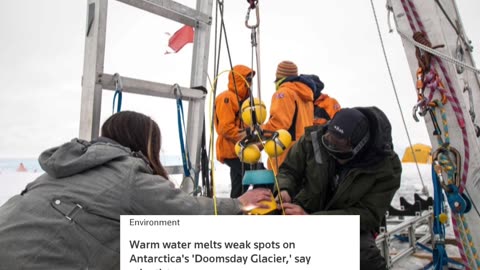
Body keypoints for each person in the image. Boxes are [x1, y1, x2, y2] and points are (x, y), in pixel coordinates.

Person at [0, 111, 272, 269]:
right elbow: (187, 209)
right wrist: (240, 204)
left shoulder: (60, 167)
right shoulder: (126, 173)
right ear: (144, 142)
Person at [276, 107, 401, 270]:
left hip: (349, 225)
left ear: (359, 146)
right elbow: (289, 170)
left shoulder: (386, 168)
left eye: (339, 147)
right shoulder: (313, 140)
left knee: (363, 258)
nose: (331, 150)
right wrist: (284, 189)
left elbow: (368, 214)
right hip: (305, 208)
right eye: (328, 141)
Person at [214, 64, 261, 198]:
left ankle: (235, 212)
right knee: (257, 174)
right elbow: (225, 128)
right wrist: (246, 136)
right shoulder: (227, 98)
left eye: (251, 79)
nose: (251, 83)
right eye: (248, 79)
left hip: (240, 150)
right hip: (231, 150)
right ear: (240, 80)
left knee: (240, 186)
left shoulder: (245, 101)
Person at [261, 60, 315, 172]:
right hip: (304, 153)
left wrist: (259, 131)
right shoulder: (307, 96)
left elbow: (279, 125)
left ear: (279, 77)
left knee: (282, 188)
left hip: (286, 155)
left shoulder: (284, 93)